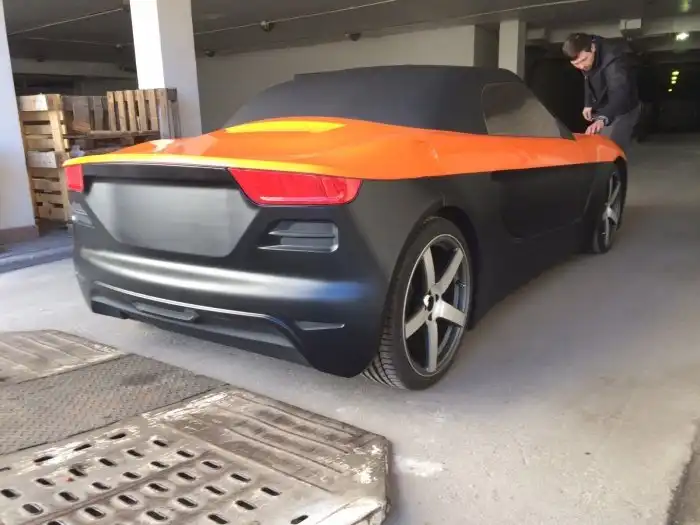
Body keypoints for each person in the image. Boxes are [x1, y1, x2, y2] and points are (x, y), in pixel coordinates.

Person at [562, 32, 642, 154]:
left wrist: (602, 118)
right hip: (605, 105)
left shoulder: (613, 59)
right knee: (600, 145)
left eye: (584, 60)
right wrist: (588, 103)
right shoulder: (586, 57)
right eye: (576, 64)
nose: (581, 66)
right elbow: (587, 77)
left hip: (625, 107)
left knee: (615, 149)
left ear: (593, 47)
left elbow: (620, 91)